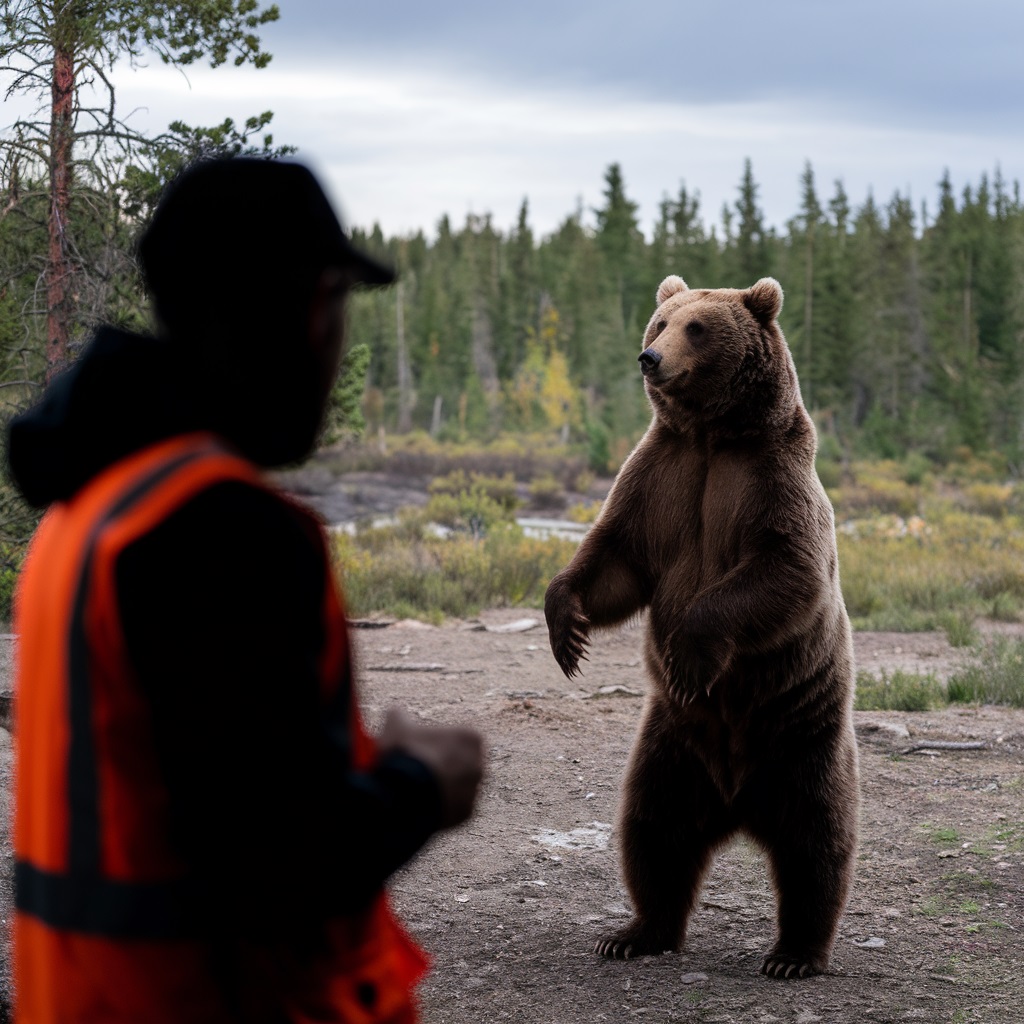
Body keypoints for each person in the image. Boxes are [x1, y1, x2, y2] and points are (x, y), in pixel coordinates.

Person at [7, 157, 484, 1023]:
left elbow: (185, 804)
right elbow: (279, 861)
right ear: (302, 308)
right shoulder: (218, 532)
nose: (341, 348)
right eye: (339, 302)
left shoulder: (86, 514)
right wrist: (424, 780)